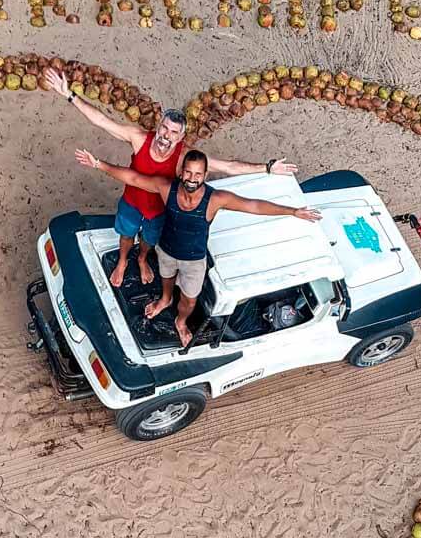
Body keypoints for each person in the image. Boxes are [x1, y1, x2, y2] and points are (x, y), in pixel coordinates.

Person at [44, 67, 299, 289]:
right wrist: (69, 95)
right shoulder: (138, 137)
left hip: (159, 211)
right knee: (125, 235)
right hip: (132, 201)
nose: (166, 135)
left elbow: (228, 166)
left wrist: (267, 167)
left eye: (173, 133)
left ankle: (142, 259)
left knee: (148, 241)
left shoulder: (183, 158)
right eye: (164, 128)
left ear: (180, 138)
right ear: (158, 128)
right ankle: (123, 260)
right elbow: (102, 120)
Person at [75, 147, 322, 348]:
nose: (192, 179)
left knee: (190, 302)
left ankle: (181, 322)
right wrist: (99, 164)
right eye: (188, 173)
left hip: (194, 261)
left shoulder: (215, 199)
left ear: (205, 175)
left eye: (198, 174)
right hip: (166, 250)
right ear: (182, 172)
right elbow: (133, 178)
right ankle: (164, 300)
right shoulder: (166, 187)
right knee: (166, 280)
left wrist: (293, 212)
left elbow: (254, 205)